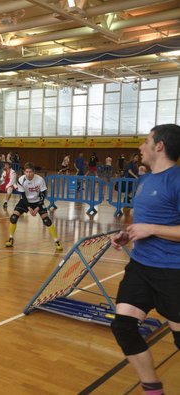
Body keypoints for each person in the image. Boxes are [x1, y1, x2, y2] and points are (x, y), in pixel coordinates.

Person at [110, 124, 180, 395]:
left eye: (146, 141)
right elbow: (147, 223)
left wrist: (152, 229)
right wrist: (129, 235)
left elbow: (155, 227)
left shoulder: (176, 180)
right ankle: (152, 389)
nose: (141, 147)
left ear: (159, 145)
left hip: (172, 271)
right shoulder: (146, 180)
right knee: (123, 327)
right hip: (140, 266)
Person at [5, 162, 63, 251]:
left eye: (30, 172)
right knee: (13, 217)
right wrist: (28, 207)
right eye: (27, 172)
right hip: (25, 201)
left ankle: (56, 241)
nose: (28, 174)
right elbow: (23, 196)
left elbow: (43, 194)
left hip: (38, 201)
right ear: (24, 172)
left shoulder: (40, 180)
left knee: (47, 220)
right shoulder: (21, 180)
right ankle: (11, 238)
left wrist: (37, 207)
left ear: (34, 172)